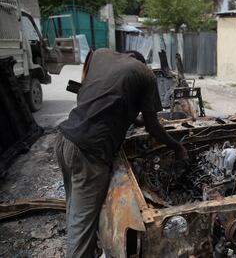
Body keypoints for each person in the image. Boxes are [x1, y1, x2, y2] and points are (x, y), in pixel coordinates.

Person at [55, 48, 188, 258]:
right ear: (141, 62)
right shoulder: (145, 73)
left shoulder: (101, 55)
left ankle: (92, 248)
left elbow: (99, 98)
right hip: (90, 154)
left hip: (64, 140)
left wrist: (134, 120)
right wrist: (177, 147)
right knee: (82, 224)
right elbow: (153, 128)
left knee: (76, 210)